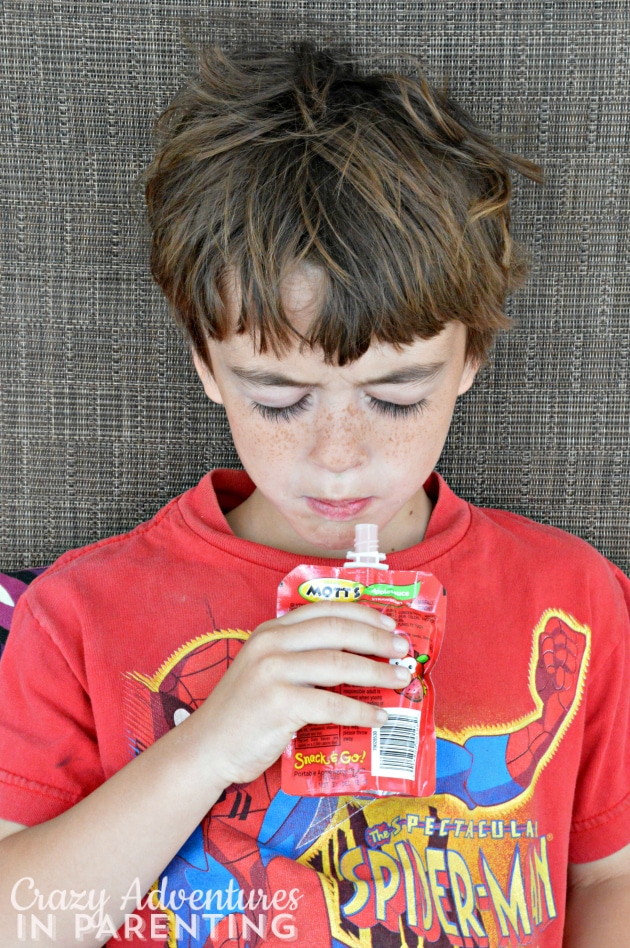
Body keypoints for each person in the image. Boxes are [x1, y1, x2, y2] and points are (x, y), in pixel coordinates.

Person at [0, 41, 628, 948]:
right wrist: (211, 746)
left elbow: (609, 875)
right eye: (280, 400)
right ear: (205, 364)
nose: (341, 460)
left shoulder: (575, 601)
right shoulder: (79, 617)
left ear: (471, 361)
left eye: (397, 396)